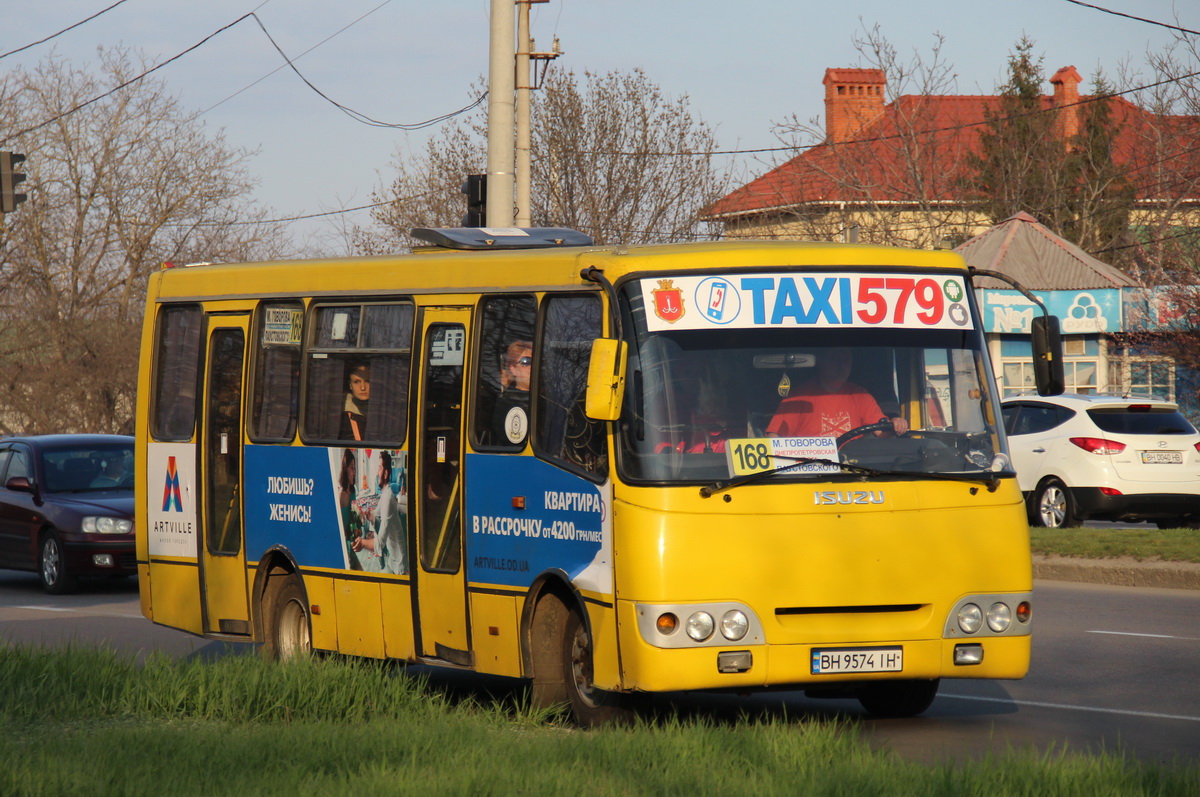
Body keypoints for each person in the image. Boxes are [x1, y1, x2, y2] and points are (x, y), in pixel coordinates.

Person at [767, 347, 908, 439]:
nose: (842, 365)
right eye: (835, 360)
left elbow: (881, 432)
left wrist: (895, 424)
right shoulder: (800, 397)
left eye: (846, 360)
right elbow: (774, 436)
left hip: (854, 468)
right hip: (810, 471)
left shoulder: (860, 395)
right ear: (821, 362)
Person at [354, 451, 407, 575]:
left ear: (386, 473)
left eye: (379, 469)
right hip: (391, 561)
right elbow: (375, 515)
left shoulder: (388, 498)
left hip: (399, 567)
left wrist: (362, 542)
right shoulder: (384, 494)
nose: (377, 474)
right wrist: (367, 516)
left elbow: (379, 544)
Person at [491, 340, 532, 444]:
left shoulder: (549, 399)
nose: (532, 367)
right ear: (513, 369)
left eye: (537, 361)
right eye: (526, 362)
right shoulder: (507, 401)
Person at [339, 361, 370, 441]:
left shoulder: (384, 416)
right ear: (350, 385)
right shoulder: (341, 418)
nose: (363, 388)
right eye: (357, 382)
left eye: (367, 381)